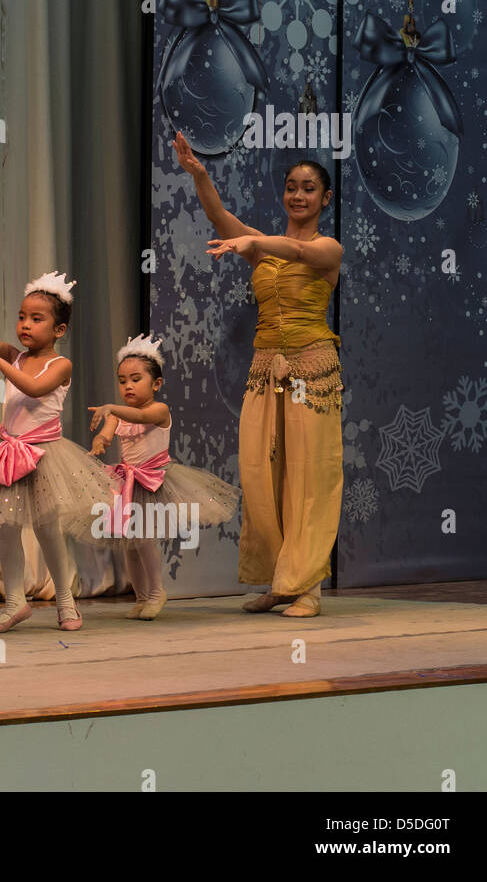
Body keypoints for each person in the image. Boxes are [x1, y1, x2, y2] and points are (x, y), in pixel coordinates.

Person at [174, 132, 343, 618]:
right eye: (292, 186)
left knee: (309, 477)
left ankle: (307, 585)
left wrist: (254, 241)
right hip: (266, 368)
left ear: (324, 198)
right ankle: (280, 581)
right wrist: (200, 176)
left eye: (309, 187)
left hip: (312, 369)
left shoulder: (328, 248)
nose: (298, 194)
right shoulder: (263, 248)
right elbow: (219, 219)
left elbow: (298, 254)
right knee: (262, 475)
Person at [0, 273, 116, 632]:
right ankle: (15, 601)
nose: (25, 325)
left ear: (59, 330)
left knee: (47, 530)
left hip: (44, 457)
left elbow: (33, 387)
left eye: (36, 319)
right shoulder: (14, 356)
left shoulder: (60, 366)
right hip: (8, 453)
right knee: (6, 528)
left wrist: (0, 365)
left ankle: (65, 600)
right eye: (21, 317)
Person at [87, 333, 239, 620]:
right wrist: (100, 442)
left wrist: (111, 409)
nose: (128, 386)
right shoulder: (118, 414)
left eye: (135, 379)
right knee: (128, 545)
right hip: (127, 483)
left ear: (156, 383)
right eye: (122, 381)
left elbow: (142, 418)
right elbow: (108, 433)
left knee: (144, 539)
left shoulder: (159, 410)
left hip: (153, 482)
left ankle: (157, 592)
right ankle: (141, 596)